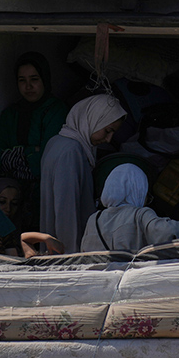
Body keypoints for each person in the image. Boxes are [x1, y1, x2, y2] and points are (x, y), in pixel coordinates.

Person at [39, 94, 127, 253]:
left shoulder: (56, 142)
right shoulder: (71, 151)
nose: (108, 139)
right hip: (67, 251)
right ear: (93, 119)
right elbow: (66, 212)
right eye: (107, 131)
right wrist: (71, 256)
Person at [0, 52, 69, 181]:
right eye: (22, 80)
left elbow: (48, 158)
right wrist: (30, 152)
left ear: (45, 79)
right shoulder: (11, 114)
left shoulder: (56, 111)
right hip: (13, 187)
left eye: (34, 79)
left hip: (46, 185)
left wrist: (14, 156)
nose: (28, 86)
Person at [81, 164, 179, 252]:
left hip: (100, 274)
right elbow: (167, 232)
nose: (146, 200)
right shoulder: (139, 215)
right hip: (128, 273)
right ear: (138, 189)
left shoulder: (94, 219)